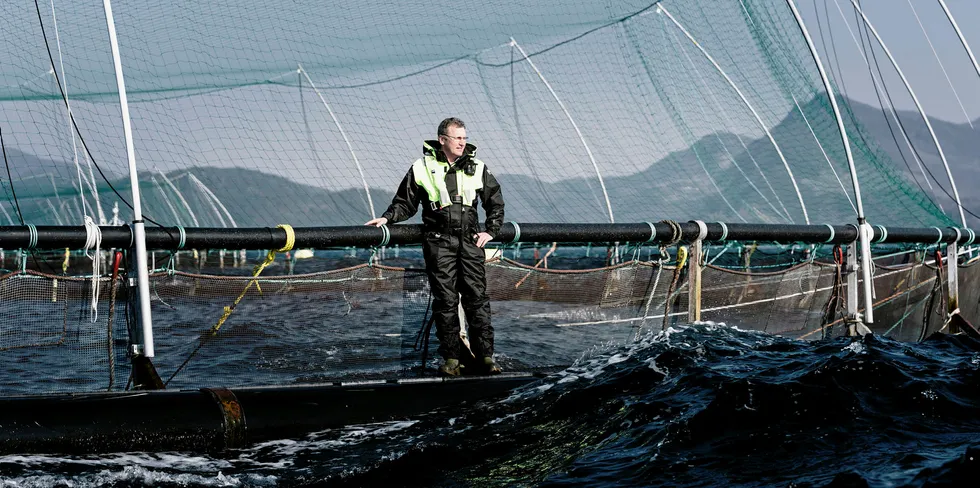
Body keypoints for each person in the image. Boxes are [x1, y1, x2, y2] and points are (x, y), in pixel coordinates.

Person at [366, 118, 504, 376]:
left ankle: (486, 358)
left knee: (477, 300)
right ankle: (452, 360)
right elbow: (405, 203)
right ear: (443, 140)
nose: (463, 142)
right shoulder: (421, 167)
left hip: (470, 242)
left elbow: (495, 202)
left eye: (464, 137)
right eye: (457, 137)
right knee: (446, 301)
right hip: (438, 242)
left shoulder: (478, 166)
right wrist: (387, 218)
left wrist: (491, 231)